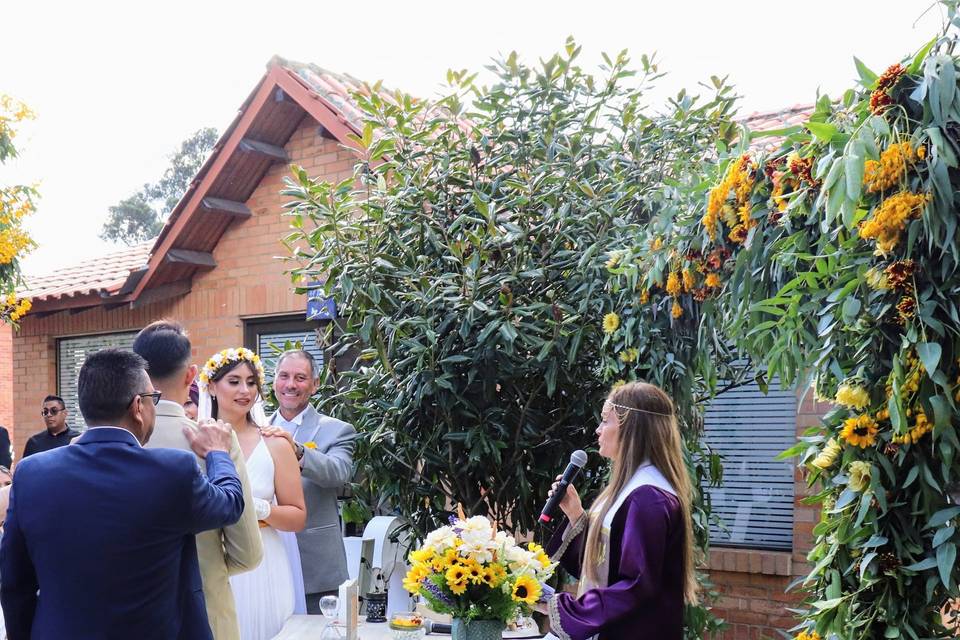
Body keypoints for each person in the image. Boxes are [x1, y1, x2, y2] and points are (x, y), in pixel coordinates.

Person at [0, 349, 246, 639]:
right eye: (154, 398)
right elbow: (230, 503)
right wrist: (218, 453)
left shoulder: (32, 474)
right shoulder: (173, 471)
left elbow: (15, 581)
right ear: (138, 407)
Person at [134, 320, 263, 639]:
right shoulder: (215, 440)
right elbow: (247, 552)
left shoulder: (105, 445)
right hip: (206, 614)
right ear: (191, 375)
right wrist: (209, 567)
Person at [541, 381, 696, 640]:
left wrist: (567, 610)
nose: (598, 430)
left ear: (630, 427)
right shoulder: (631, 489)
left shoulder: (648, 497)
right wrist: (576, 514)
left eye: (605, 420)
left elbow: (635, 585)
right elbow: (608, 568)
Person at [198, 347, 306, 640]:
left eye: (251, 382)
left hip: (264, 561)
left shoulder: (274, 442)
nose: (244, 390)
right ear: (211, 385)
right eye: (234, 381)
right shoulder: (194, 440)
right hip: (211, 560)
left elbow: (297, 517)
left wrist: (261, 509)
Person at [261, 349, 356, 610]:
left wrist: (299, 451)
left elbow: (339, 472)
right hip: (265, 558)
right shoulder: (256, 428)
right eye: (284, 376)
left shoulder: (336, 429)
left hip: (315, 568)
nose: (291, 385)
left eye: (300, 378)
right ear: (274, 382)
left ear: (315, 385)